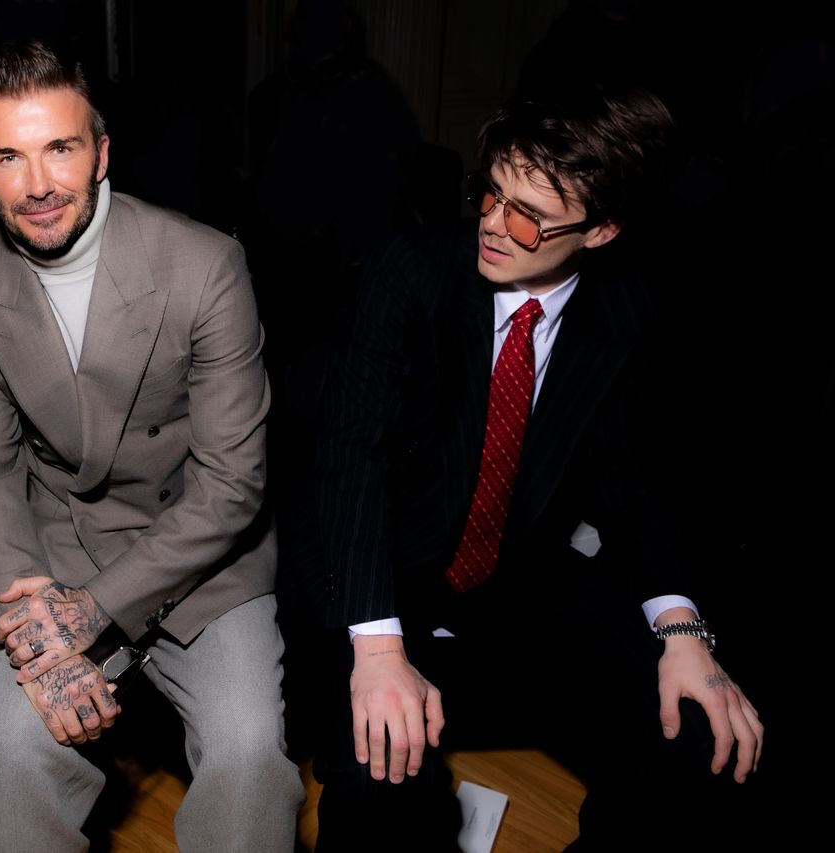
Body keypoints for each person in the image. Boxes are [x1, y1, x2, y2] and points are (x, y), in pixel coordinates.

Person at [309, 86, 765, 850]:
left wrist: (684, 632)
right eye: (491, 192)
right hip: (388, 573)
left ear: (602, 230)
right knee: (381, 775)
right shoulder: (411, 271)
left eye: (527, 214)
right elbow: (351, 456)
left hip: (518, 576)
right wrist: (381, 650)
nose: (492, 222)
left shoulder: (625, 310)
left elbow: (634, 478)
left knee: (697, 730)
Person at [0, 42, 305, 853]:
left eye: (59, 148)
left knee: (248, 757)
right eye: (9, 157)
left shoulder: (205, 264)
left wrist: (90, 613)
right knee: (5, 760)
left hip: (203, 564)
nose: (36, 185)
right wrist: (39, 625)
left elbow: (232, 485)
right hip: (50, 556)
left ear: (101, 153)